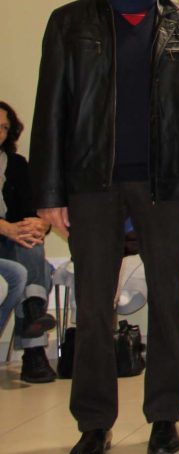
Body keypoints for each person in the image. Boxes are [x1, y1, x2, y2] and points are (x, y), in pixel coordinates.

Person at [30, 0, 179, 454]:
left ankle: (164, 417)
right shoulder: (69, 24)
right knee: (92, 306)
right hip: (90, 184)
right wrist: (49, 192)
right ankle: (93, 422)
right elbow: (50, 112)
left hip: (166, 185)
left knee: (166, 299)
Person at [1, 100, 58, 384]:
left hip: (12, 244)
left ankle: (34, 320)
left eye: (4, 128)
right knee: (36, 265)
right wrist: (6, 228)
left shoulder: (16, 164)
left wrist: (40, 223)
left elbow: (31, 210)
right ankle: (34, 355)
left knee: (32, 242)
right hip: (5, 238)